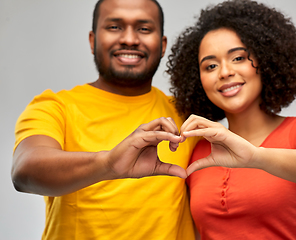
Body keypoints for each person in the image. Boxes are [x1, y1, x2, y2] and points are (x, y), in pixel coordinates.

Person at [11, 0, 198, 239]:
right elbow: (24, 170)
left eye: (144, 28)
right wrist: (109, 164)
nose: (129, 39)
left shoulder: (187, 114)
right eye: (114, 27)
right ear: (92, 40)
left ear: (162, 45)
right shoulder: (56, 106)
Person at [166, 0, 296, 239]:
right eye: (210, 66)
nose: (224, 72)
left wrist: (255, 156)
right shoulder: (199, 150)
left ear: (266, 60)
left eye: (239, 58)